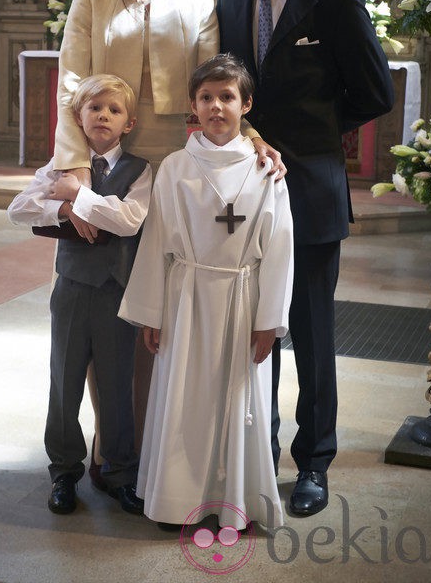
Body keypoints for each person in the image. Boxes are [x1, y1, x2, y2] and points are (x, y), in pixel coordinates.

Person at [52, 0, 282, 488]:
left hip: (181, 172)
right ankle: (109, 444)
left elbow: (213, 86)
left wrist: (251, 139)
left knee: (163, 314)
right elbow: (71, 83)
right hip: (112, 168)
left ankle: (152, 443)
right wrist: (75, 171)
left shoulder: (200, 3)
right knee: (111, 314)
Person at [216, 0, 395, 517]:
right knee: (252, 328)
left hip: (312, 190)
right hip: (245, 191)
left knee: (314, 332)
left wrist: (315, 133)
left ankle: (314, 460)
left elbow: (376, 93)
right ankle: (256, 451)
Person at [118, 55, 294, 530]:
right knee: (183, 399)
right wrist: (151, 312)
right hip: (186, 297)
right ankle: (178, 501)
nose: (217, 107)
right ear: (193, 106)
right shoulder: (176, 167)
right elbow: (156, 244)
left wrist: (268, 322)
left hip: (242, 299)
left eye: (227, 97)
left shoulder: (265, 169)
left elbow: (279, 249)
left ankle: (237, 501)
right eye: (206, 98)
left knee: (238, 403)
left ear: (246, 104)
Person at [7, 74, 152, 516]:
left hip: (116, 295)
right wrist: (65, 203)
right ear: (79, 117)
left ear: (128, 123)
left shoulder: (141, 170)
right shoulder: (61, 166)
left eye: (114, 110)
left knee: (115, 387)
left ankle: (121, 472)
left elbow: (129, 220)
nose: (103, 116)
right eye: (94, 108)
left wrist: (80, 196)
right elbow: (19, 209)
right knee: (64, 382)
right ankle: (64, 471)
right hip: (70, 291)